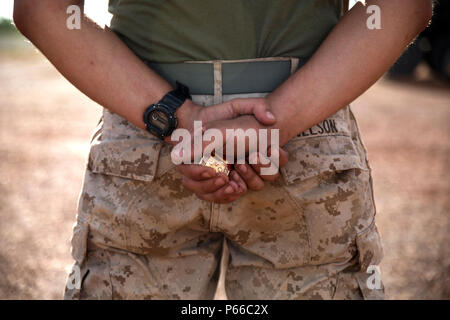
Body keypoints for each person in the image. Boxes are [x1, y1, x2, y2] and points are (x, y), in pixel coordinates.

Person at [13, 0, 432, 299]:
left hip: (150, 134)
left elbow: (42, 9)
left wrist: (185, 121)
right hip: (300, 138)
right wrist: (269, 124)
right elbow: (402, 7)